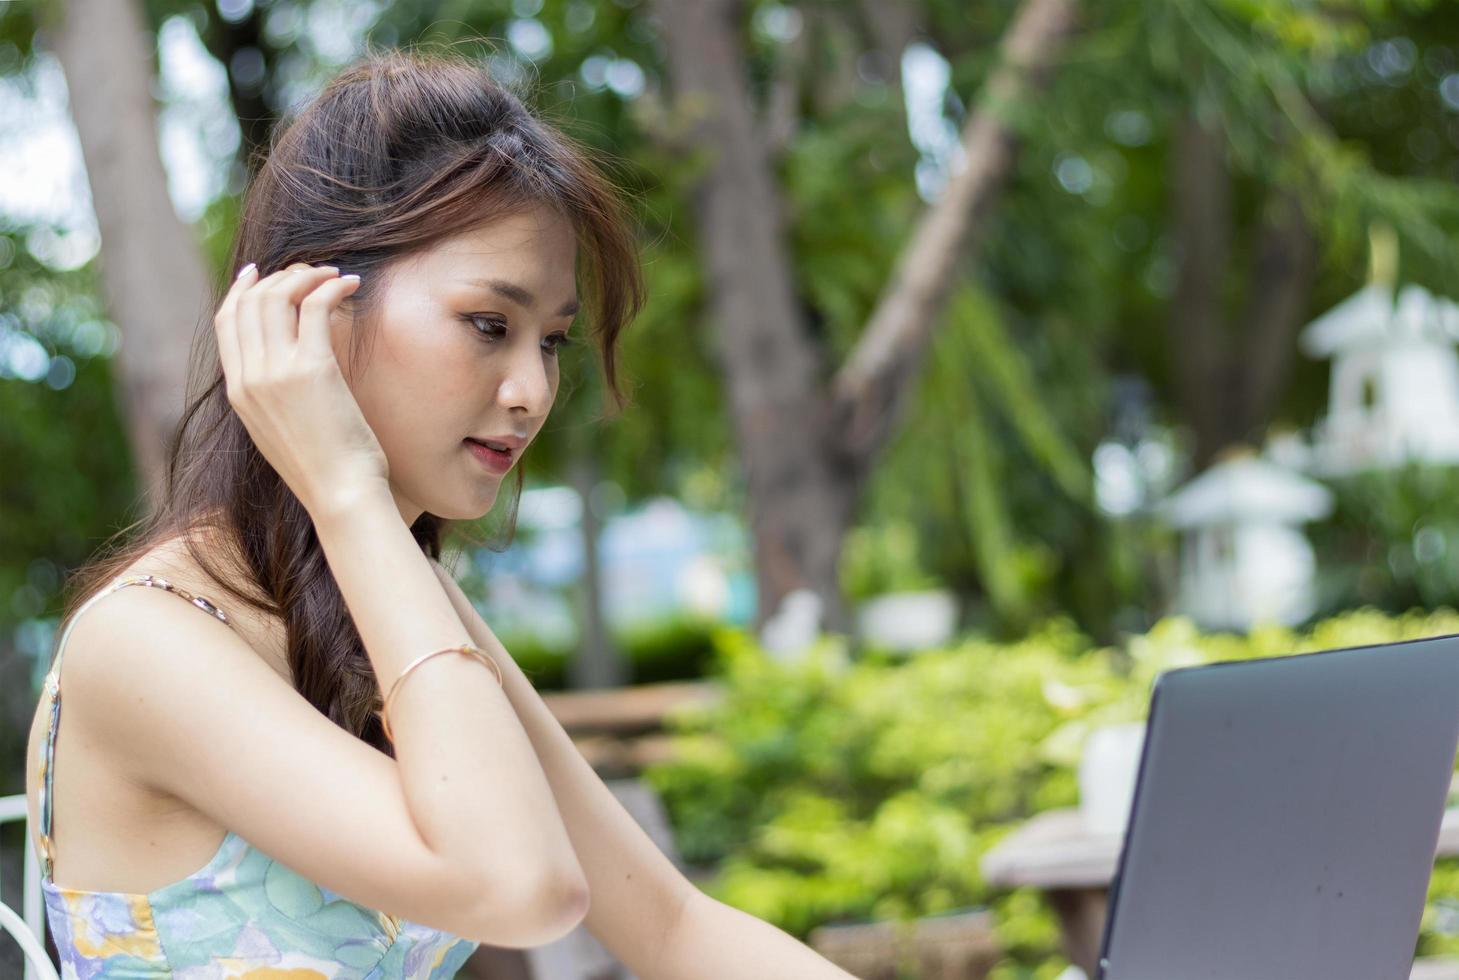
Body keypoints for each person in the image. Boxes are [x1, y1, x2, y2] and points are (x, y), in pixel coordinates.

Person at [23, 44, 857, 979]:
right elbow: (520, 887)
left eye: (551, 342)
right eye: (489, 326)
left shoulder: (389, 604)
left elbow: (668, 926)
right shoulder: (147, 644)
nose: (531, 390)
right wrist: (345, 489)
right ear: (314, 313)